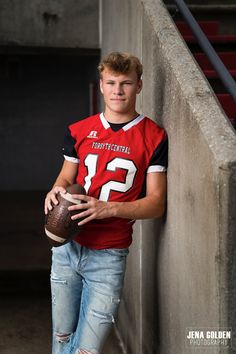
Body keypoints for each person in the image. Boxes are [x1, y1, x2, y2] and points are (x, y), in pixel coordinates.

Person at [44, 51, 168, 354]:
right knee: (61, 338)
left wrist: (107, 208)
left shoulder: (154, 136)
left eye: (125, 83)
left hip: (109, 255)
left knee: (87, 351)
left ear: (139, 86)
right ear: (101, 85)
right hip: (67, 248)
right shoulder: (79, 130)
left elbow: (156, 203)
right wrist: (54, 191)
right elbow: (64, 179)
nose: (117, 90)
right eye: (111, 82)